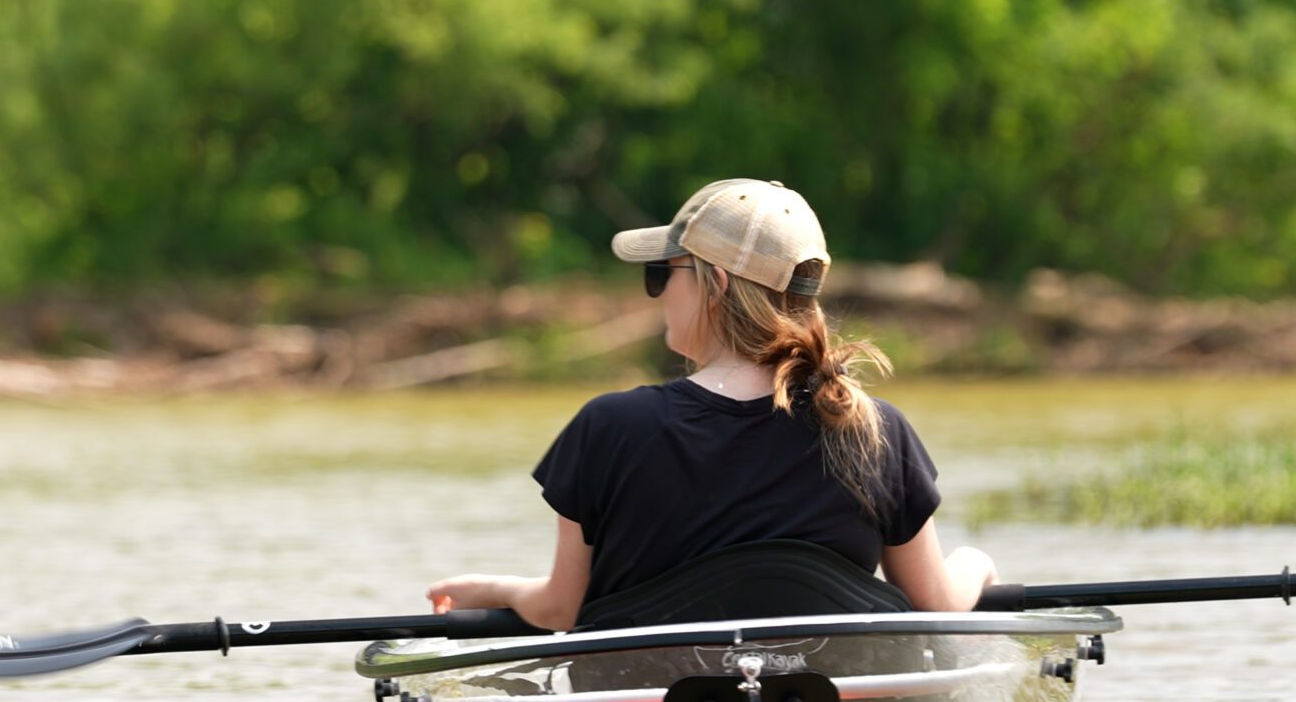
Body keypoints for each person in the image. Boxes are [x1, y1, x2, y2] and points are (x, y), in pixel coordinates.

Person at [425, 178, 997, 631]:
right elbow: (939, 607)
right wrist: (976, 562)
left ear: (715, 284)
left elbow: (559, 610)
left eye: (661, 274)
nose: (655, 294)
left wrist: (497, 590)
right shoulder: (872, 428)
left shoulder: (609, 427)